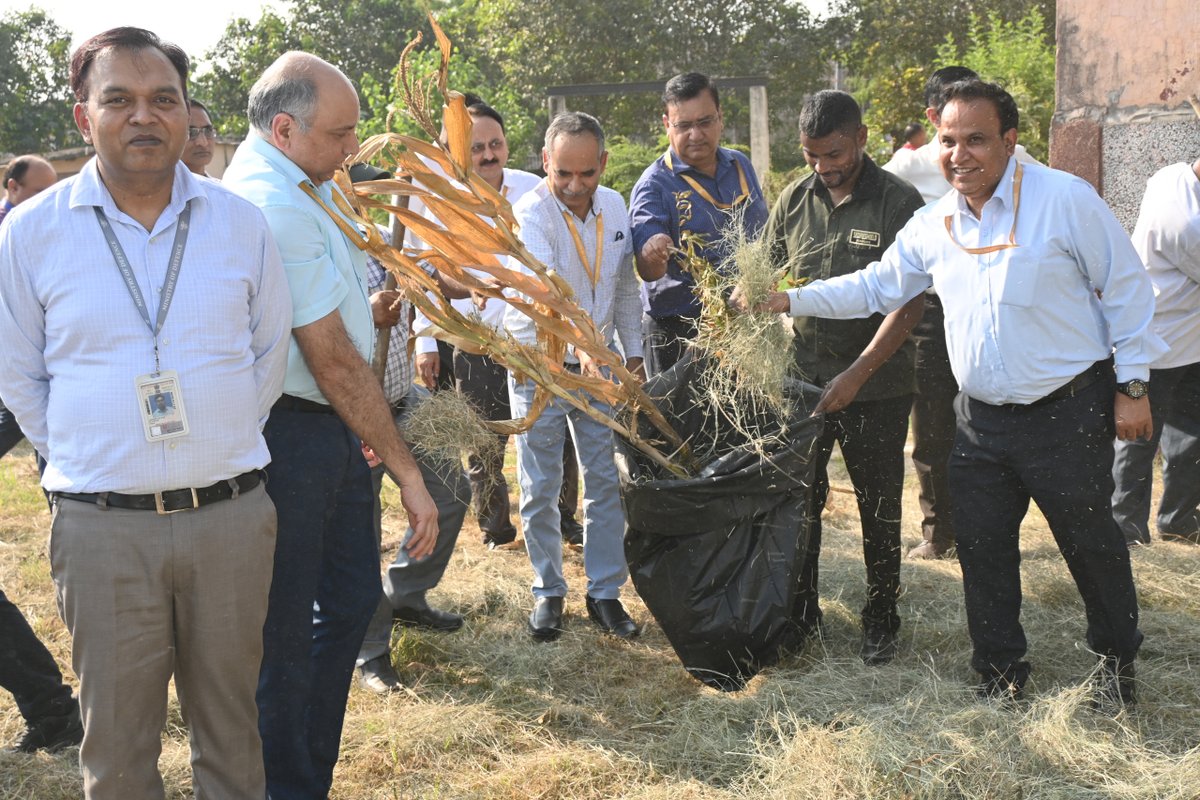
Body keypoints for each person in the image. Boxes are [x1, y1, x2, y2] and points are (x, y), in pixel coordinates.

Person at [737, 79, 1164, 706]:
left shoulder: (1064, 200)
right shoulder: (934, 221)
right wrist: (788, 299)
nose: (959, 155)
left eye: (976, 140)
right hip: (981, 422)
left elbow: (1127, 289)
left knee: (1091, 547)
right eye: (947, 141)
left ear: (1009, 141)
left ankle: (1116, 669)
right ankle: (999, 676)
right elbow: (877, 286)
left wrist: (1133, 385)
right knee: (983, 553)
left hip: (1067, 412)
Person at [0, 26, 292, 797]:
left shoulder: (240, 223)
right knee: (119, 751)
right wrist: (93, 460)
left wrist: (215, 445)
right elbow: (19, 375)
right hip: (102, 529)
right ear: (83, 117)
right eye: (118, 100)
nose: (143, 116)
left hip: (230, 520)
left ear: (186, 112)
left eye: (163, 99)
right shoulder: (30, 233)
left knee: (233, 736)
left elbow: (267, 356)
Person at [222, 51, 439, 799]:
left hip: (329, 427)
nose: (352, 150)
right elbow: (335, 361)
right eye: (341, 134)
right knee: (285, 632)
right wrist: (408, 471)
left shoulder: (307, 182)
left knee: (347, 602)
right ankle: (288, 781)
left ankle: (305, 771)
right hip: (290, 434)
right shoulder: (271, 202)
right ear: (284, 129)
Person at [766, 90, 925, 666]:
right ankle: (800, 615)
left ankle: (881, 618)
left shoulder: (899, 202)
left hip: (876, 387)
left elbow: (908, 304)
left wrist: (857, 376)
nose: (823, 167)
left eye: (833, 154)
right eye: (811, 156)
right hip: (804, 383)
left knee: (878, 508)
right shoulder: (794, 198)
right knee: (800, 505)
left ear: (861, 137)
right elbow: (769, 272)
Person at [883, 66, 1041, 560]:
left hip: (1000, 302)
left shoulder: (1020, 161)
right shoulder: (907, 167)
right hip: (931, 309)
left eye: (976, 133)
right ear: (934, 117)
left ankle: (1000, 528)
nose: (962, 152)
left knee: (1006, 415)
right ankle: (940, 533)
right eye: (950, 130)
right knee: (934, 425)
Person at [505, 112, 643, 641]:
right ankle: (548, 591)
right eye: (563, 173)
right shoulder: (531, 213)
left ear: (603, 164)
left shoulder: (616, 206)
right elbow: (548, 295)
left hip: (599, 366)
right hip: (539, 365)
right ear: (546, 162)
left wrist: (633, 353)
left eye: (587, 173)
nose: (575, 186)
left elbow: (625, 287)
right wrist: (582, 346)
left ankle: (605, 592)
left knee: (604, 480)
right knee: (540, 485)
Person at [351, 164, 472, 695]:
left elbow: (441, 282)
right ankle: (370, 648)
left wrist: (483, 282)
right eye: (371, 197)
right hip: (353, 414)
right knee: (360, 531)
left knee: (451, 491)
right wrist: (365, 312)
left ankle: (405, 593)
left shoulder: (390, 245)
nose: (378, 208)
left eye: (387, 198)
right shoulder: (325, 250)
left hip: (403, 402)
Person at [411, 102, 546, 549]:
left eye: (495, 144)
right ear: (456, 153)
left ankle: (564, 521)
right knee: (483, 444)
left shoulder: (533, 190)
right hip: (475, 340)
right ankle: (496, 530)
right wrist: (426, 343)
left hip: (533, 339)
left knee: (548, 434)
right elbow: (427, 274)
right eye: (476, 148)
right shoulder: (441, 203)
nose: (489, 155)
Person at [630, 72, 769, 377]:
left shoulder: (739, 165)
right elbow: (648, 269)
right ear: (667, 124)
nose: (696, 135)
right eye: (684, 125)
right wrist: (654, 251)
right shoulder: (654, 185)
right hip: (679, 334)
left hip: (743, 326)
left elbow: (763, 237)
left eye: (705, 122)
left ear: (720, 117)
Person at [1111, 157, 1200, 545]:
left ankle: (1178, 521)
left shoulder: (1170, 175)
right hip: (1155, 341)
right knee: (1138, 436)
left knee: (1190, 436)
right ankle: (1125, 528)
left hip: (1191, 340)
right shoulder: (1187, 223)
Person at [1, 155, 58, 456]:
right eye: (40, 191)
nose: (50, 198)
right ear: (13, 187)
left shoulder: (45, 225)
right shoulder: (9, 229)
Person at [181, 99, 215, 176]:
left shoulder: (221, 184)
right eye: (191, 133)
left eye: (208, 131)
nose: (203, 142)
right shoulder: (158, 183)